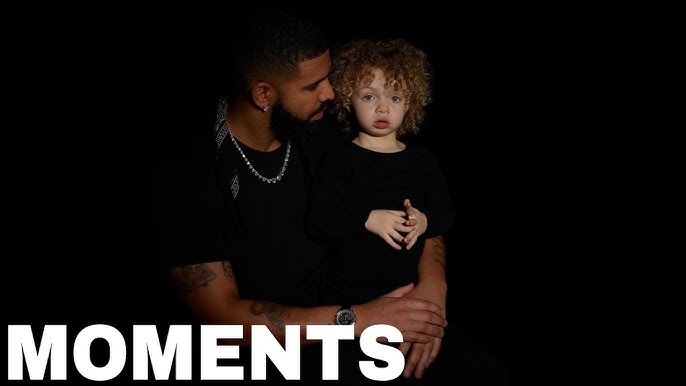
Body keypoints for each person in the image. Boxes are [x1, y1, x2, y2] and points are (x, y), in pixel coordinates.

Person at [159, 10, 449, 383]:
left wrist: (431, 292)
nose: (330, 93)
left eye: (327, 78)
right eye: (313, 86)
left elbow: (415, 202)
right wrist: (359, 319)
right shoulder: (189, 175)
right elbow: (223, 319)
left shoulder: (328, 128)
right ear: (264, 94)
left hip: (380, 308)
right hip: (284, 353)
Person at [306, 38, 455, 383]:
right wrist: (367, 217)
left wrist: (425, 219)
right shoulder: (338, 159)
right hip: (349, 297)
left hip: (408, 292)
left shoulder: (424, 162)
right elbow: (318, 221)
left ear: (411, 103)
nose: (383, 108)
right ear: (349, 99)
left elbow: (447, 214)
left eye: (395, 97)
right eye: (370, 96)